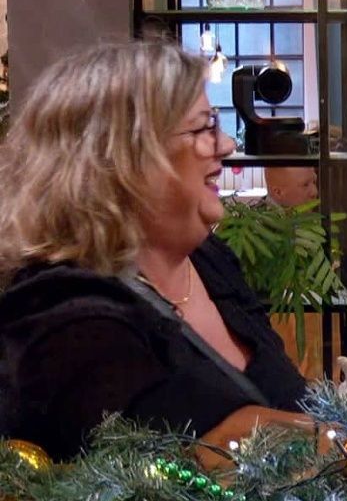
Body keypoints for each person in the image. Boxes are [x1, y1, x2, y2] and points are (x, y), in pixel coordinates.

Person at [0, 42, 316, 464]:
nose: (225, 144)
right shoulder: (61, 311)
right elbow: (185, 454)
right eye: (203, 128)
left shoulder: (211, 262)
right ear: (124, 159)